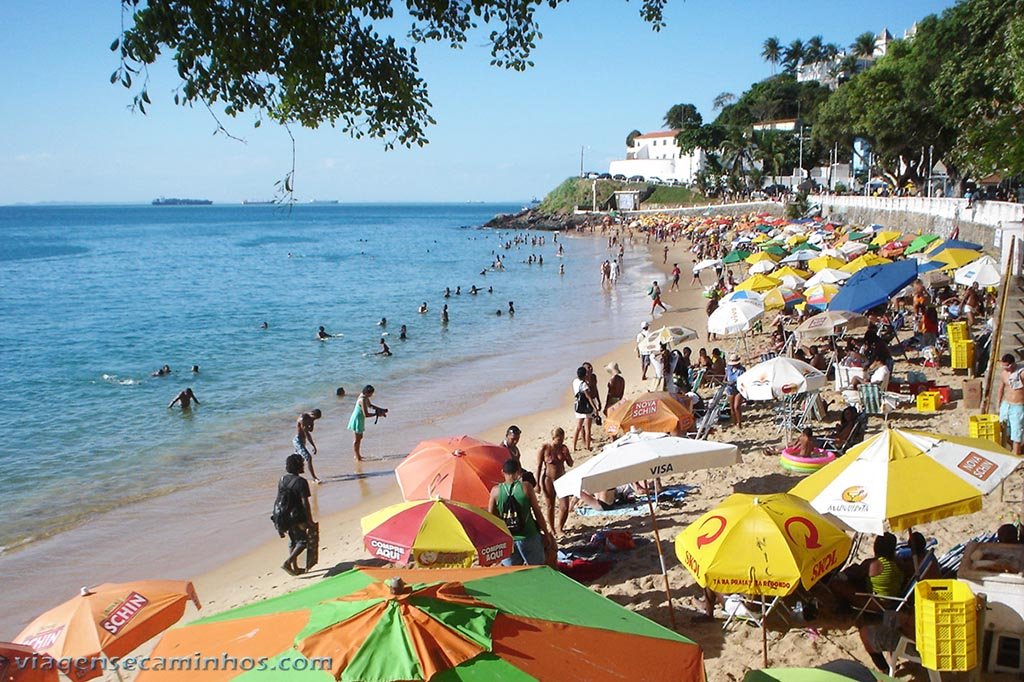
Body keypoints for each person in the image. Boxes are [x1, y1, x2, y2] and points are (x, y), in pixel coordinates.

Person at [489, 459, 553, 566]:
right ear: (518, 472)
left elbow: (491, 518)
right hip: (528, 534)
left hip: (508, 538)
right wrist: (546, 533)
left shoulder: (495, 491)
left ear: (502, 472)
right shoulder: (526, 487)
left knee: (514, 574)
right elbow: (537, 512)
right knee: (537, 569)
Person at [275, 454, 315, 576]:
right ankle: (288, 562)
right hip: (296, 516)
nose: (303, 465)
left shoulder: (282, 479)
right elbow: (305, 503)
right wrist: (310, 520)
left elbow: (279, 498)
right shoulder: (301, 482)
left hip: (282, 516)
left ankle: (295, 568)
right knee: (303, 541)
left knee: (293, 540)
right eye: (302, 464)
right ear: (298, 466)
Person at [535, 427, 575, 536]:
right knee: (550, 505)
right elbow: (538, 467)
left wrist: (567, 455)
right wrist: (537, 484)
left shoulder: (563, 448)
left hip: (562, 478)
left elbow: (570, 463)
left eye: (562, 439)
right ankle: (552, 528)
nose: (561, 442)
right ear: (553, 438)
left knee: (565, 506)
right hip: (548, 479)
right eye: (559, 440)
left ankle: (560, 527)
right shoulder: (545, 448)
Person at [348, 385, 387, 461]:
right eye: (370, 394)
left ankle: (358, 455)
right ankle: (357, 457)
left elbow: (370, 405)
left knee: (360, 437)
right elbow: (366, 414)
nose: (371, 395)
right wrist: (377, 414)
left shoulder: (365, 397)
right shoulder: (362, 400)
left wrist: (381, 409)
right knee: (357, 440)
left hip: (361, 419)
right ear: (366, 393)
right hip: (357, 419)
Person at [998, 353, 1024, 455]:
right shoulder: (1004, 374)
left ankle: (1016, 452)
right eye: (1003, 366)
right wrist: (998, 403)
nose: (1005, 368)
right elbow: (1001, 388)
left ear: (1013, 364)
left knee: (1016, 430)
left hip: (1018, 405)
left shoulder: (1021, 373)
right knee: (1004, 429)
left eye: (1007, 366)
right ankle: (1014, 448)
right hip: (1006, 404)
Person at [293, 409, 323, 484]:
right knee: (308, 458)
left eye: (315, 419)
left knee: (299, 459)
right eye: (314, 418)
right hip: (298, 441)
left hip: (303, 441)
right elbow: (307, 433)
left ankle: (294, 476)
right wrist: (313, 446)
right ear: (312, 415)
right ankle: (314, 478)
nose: (314, 420)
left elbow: (311, 430)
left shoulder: (311, 419)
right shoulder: (303, 418)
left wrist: (314, 446)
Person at [572, 366, 597, 451]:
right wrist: (595, 408)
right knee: (587, 428)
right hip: (586, 408)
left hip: (578, 406)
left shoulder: (575, 382)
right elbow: (589, 398)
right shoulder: (584, 385)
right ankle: (588, 446)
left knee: (578, 427)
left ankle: (574, 446)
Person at [724, 353, 745, 426]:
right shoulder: (728, 369)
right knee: (732, 407)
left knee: (736, 407)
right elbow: (725, 378)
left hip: (738, 389)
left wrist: (735, 382)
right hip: (730, 389)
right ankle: (734, 422)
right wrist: (727, 382)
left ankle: (739, 423)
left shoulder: (741, 370)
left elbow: (743, 379)